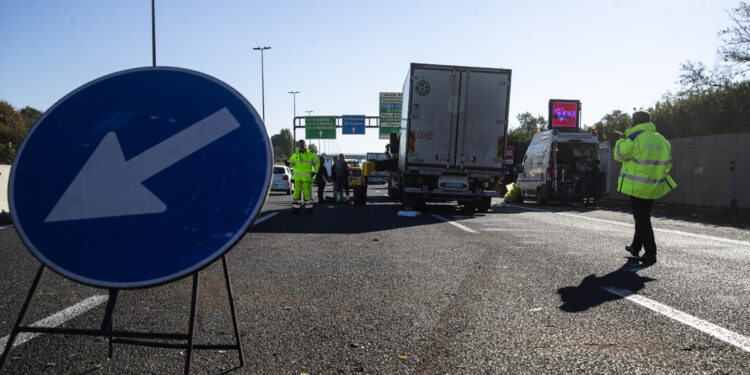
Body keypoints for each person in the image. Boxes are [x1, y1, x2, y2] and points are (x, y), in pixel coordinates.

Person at [614, 111, 677, 265]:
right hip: (654, 185)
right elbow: (667, 164)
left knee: (642, 219)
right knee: (642, 217)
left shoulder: (634, 137)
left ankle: (650, 253)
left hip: (638, 185)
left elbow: (619, 155)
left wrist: (620, 140)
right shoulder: (662, 140)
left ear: (635, 121)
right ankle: (636, 247)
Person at [286, 139, 319, 213]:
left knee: (307, 193)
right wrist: (287, 163)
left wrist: (315, 172)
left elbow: (317, 162)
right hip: (297, 178)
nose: (301, 145)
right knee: (296, 193)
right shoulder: (295, 154)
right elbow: (291, 163)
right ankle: (296, 208)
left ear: (305, 145)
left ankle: (309, 208)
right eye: (300, 144)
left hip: (306, 178)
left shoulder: (311, 154)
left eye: (302, 144)